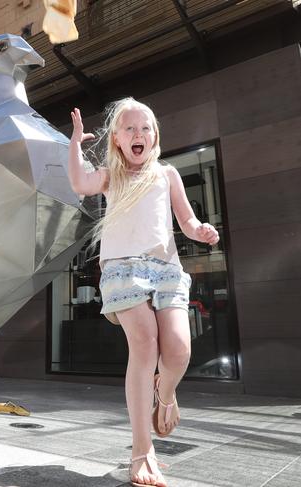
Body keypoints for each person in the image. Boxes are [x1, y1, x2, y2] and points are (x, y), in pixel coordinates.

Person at [67, 98, 219, 487]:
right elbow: (79, 183)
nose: (138, 135)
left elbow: (185, 219)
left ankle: (164, 394)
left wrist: (200, 230)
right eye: (130, 129)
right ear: (117, 139)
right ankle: (141, 450)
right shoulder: (110, 176)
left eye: (145, 128)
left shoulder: (167, 174)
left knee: (180, 350)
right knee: (146, 343)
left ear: (155, 137)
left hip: (166, 269)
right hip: (121, 269)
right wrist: (74, 145)